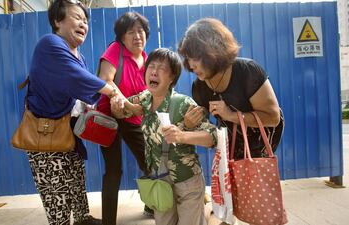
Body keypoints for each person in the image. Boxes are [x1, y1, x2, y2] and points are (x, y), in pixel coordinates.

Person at [26, 1, 125, 224]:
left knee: (76, 183)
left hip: (68, 131)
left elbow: (81, 93)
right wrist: (112, 91)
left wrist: (94, 107)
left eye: (85, 20)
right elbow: (80, 79)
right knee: (57, 195)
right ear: (57, 21)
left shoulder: (78, 56)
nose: (84, 24)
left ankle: (82, 219)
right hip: (46, 134)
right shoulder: (50, 44)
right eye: (77, 17)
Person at [112, 48, 217, 225]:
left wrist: (182, 135)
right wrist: (117, 107)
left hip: (187, 180)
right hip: (160, 180)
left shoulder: (183, 103)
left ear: (172, 78)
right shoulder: (145, 98)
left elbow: (212, 136)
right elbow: (125, 109)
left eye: (162, 68)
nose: (153, 71)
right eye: (151, 66)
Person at [178, 18, 284, 161]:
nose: (191, 66)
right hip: (232, 146)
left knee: (254, 181)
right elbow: (209, 131)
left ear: (214, 51)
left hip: (262, 143)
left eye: (196, 58)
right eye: (188, 58)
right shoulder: (199, 87)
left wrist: (231, 115)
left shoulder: (248, 72)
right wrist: (189, 124)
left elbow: (273, 118)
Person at [95, 12, 152, 224]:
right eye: (131, 32)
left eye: (141, 31)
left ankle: (151, 203)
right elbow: (105, 80)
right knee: (113, 171)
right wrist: (127, 104)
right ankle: (108, 220)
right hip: (108, 118)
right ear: (122, 37)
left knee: (150, 164)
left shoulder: (146, 59)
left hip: (134, 120)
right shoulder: (115, 50)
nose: (137, 36)